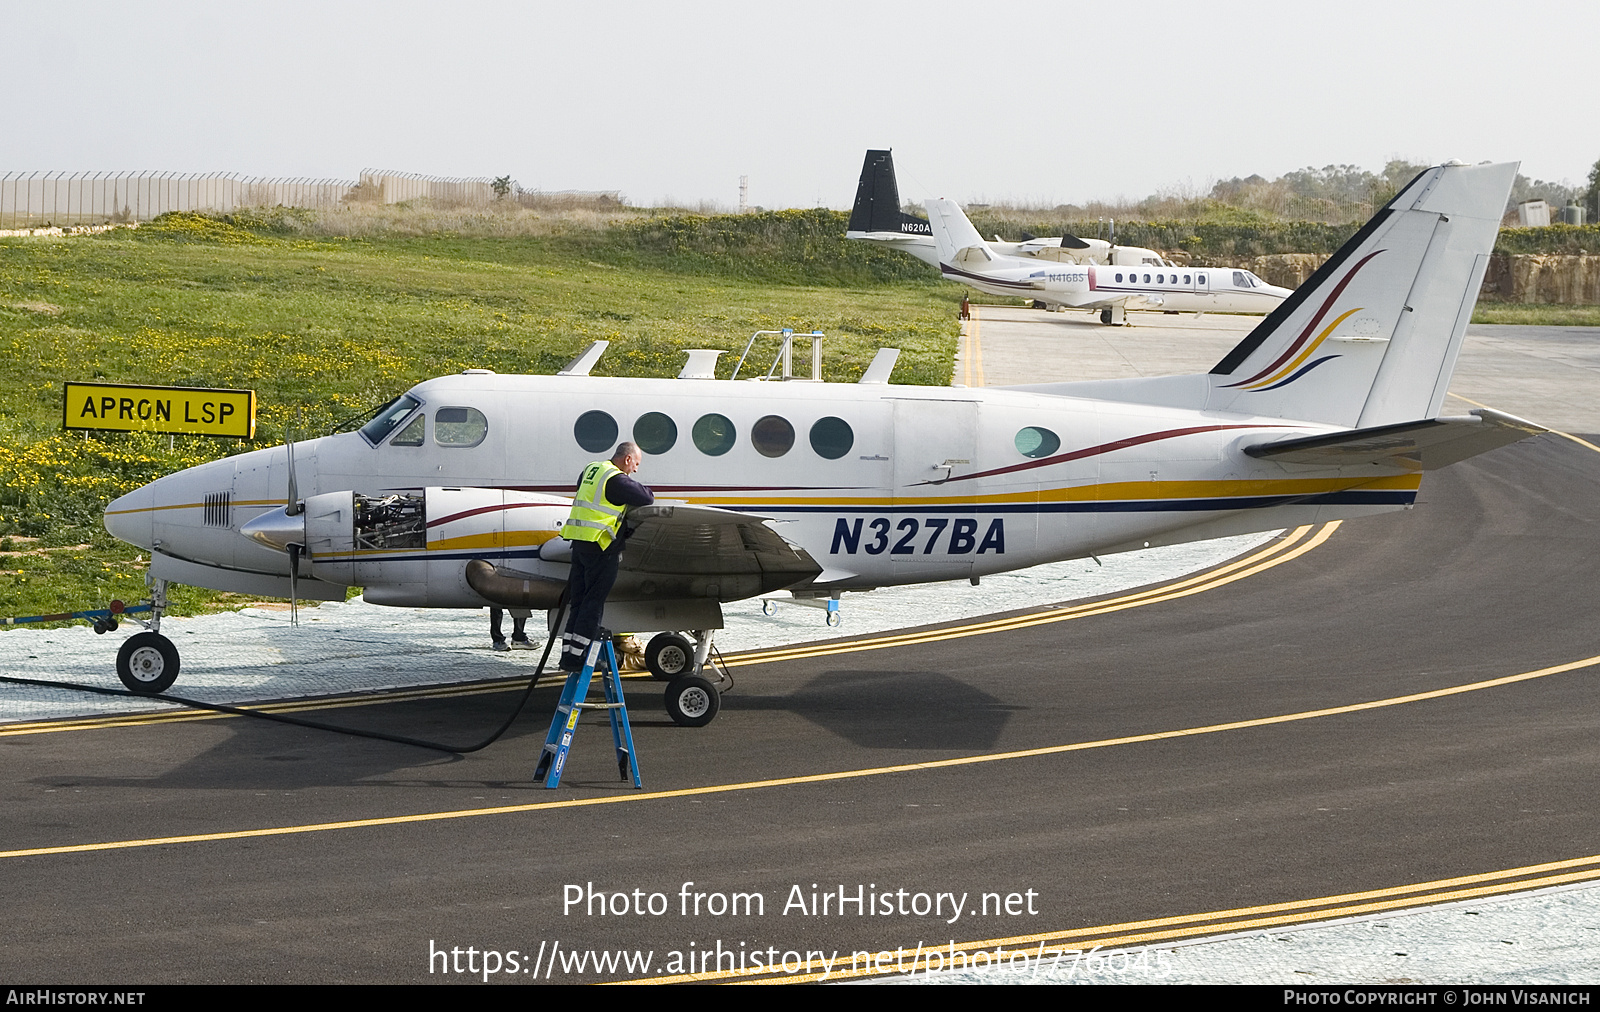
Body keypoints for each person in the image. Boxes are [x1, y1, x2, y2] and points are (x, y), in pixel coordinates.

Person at [558, 441, 654, 671]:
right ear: (627, 459)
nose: (636, 470)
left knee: (578, 603)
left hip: (579, 544)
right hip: (601, 548)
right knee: (593, 604)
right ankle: (581, 658)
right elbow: (646, 497)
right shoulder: (616, 479)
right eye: (636, 464)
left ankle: (569, 656)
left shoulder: (591, 470)